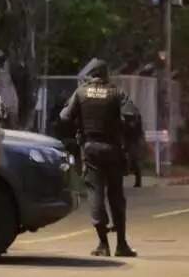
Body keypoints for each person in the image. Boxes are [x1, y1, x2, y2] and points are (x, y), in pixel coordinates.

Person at [60, 60, 139, 257]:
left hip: (90, 148)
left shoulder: (81, 92)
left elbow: (64, 116)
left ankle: (103, 244)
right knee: (116, 195)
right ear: (105, 74)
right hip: (113, 148)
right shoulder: (116, 92)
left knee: (95, 194)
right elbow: (131, 115)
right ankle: (121, 244)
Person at [124, 110, 145, 188]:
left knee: (135, 161)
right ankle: (137, 181)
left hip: (133, 143)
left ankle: (138, 181)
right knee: (133, 161)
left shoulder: (135, 123)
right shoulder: (130, 122)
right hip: (131, 142)